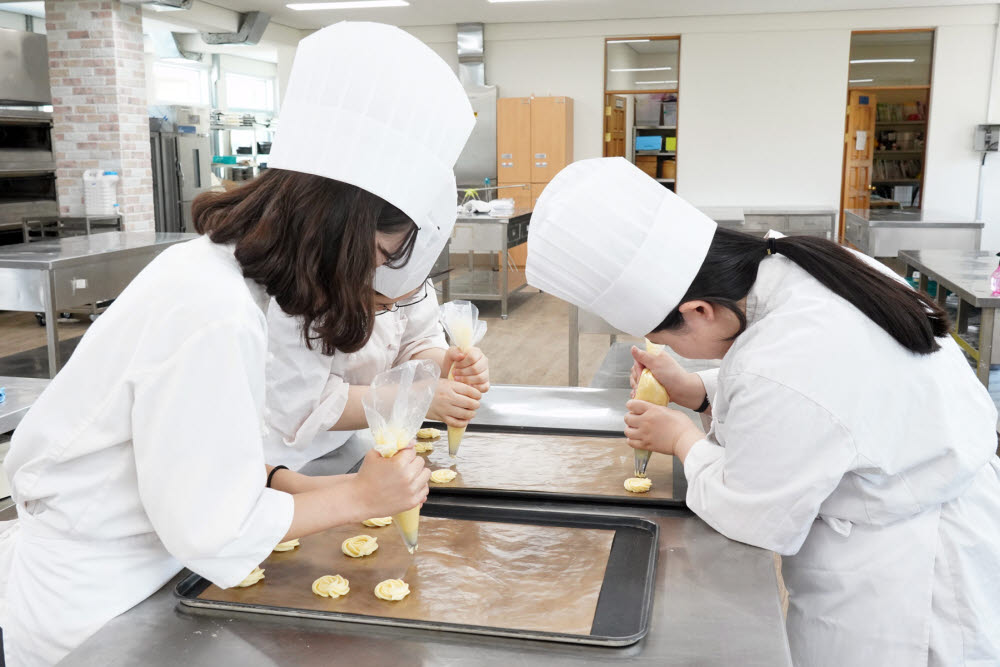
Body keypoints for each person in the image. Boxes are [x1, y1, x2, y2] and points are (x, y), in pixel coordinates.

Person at [0, 21, 474, 666]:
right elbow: (207, 525)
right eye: (380, 255)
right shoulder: (213, 309)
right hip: (96, 603)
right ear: (339, 227)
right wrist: (360, 497)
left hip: (152, 568)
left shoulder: (230, 282)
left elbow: (247, 433)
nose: (372, 280)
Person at [526, 157, 1000, 666]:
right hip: (935, 501)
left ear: (700, 311)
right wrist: (696, 390)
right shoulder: (793, 265)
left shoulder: (781, 360)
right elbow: (829, 400)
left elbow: (755, 514)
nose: (668, 346)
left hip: (904, 582)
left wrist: (682, 438)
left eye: (667, 339)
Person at [263, 277, 490, 471]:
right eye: (381, 304)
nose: (391, 309)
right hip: (287, 461)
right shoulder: (299, 291)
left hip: (353, 445)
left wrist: (444, 365)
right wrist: (412, 397)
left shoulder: (408, 258)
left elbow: (414, 339)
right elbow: (306, 404)